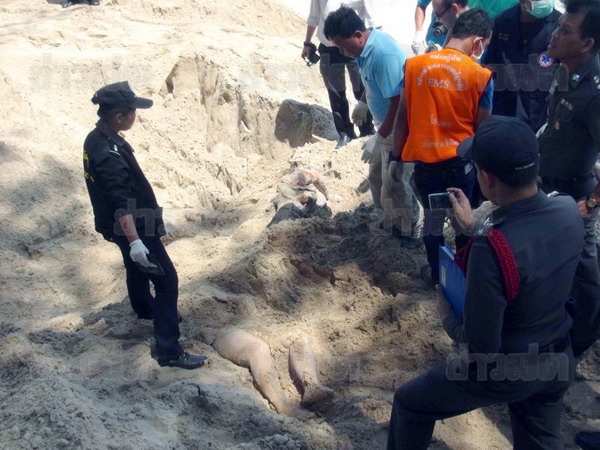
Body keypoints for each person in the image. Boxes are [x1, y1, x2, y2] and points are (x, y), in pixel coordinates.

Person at [387, 116, 585, 450]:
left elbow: (482, 347)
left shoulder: (489, 251)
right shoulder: (567, 208)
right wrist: (473, 227)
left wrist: (448, 316)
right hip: (558, 360)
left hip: (509, 371)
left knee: (410, 402)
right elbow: (528, 253)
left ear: (486, 178)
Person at [83, 81, 206, 370]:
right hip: (135, 226)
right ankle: (169, 351)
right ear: (118, 117)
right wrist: (136, 240)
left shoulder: (95, 138)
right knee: (166, 281)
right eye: (132, 112)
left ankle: (144, 309)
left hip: (118, 226)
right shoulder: (109, 154)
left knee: (135, 268)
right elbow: (120, 204)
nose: (135, 116)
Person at [390, 9, 494, 284]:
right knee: (463, 223)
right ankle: (464, 275)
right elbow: (481, 130)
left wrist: (394, 156)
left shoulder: (414, 66)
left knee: (433, 224)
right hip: (461, 167)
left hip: (425, 165)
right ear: (477, 42)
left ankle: (438, 276)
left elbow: (402, 117)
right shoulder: (480, 76)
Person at [324, 5, 421, 246]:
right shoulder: (363, 50)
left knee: (396, 180)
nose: (344, 52)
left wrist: (380, 137)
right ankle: (389, 221)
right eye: (338, 48)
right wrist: (363, 102)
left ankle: (411, 230)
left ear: (358, 34)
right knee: (377, 177)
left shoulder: (382, 54)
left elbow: (399, 104)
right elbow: (373, 83)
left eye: (345, 46)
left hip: (401, 128)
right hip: (385, 125)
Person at [538, 0, 600, 359]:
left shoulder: (594, 91)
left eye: (565, 31)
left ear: (587, 43)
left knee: (584, 270)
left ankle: (580, 343)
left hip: (577, 191)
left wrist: (590, 204)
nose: (555, 35)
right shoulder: (566, 70)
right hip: (549, 183)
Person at [302, 0, 377, 148]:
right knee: (336, 93)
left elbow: (372, 16)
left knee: (361, 87)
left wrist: (375, 46)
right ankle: (345, 133)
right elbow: (314, 16)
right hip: (329, 47)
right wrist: (307, 42)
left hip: (354, 45)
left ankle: (367, 129)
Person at [482, 0, 561, 132]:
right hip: (502, 107)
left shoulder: (559, 25)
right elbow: (489, 65)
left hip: (537, 111)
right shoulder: (502, 21)